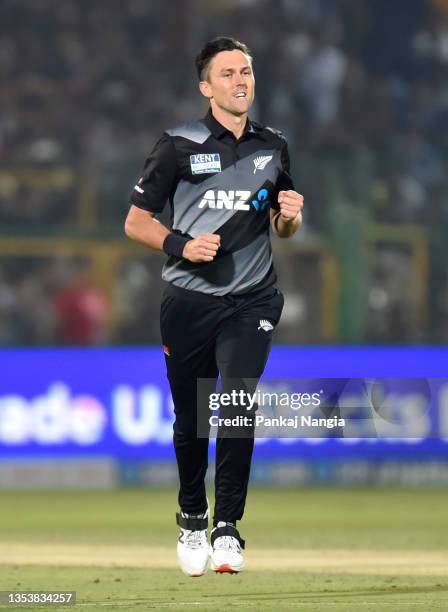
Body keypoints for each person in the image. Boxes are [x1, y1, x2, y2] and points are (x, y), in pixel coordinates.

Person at [125, 36, 303, 576]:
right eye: (227, 73)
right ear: (207, 87)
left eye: (246, 71)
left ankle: (228, 526)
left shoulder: (274, 146)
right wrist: (182, 244)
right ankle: (191, 515)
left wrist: (291, 215)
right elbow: (136, 222)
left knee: (238, 403)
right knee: (193, 419)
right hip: (188, 302)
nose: (240, 80)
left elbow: (282, 226)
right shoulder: (178, 144)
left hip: (251, 301)